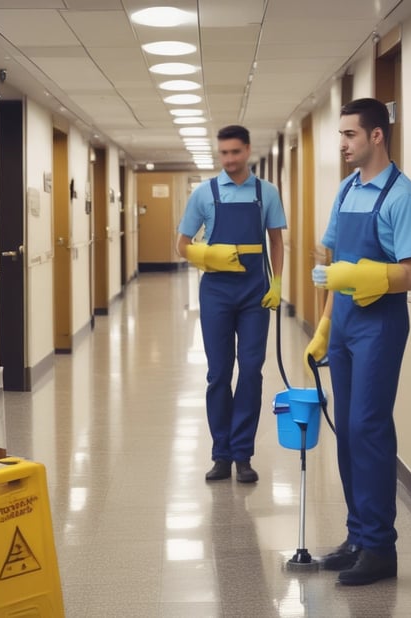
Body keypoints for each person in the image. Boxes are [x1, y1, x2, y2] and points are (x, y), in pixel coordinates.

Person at [304, 98, 411, 585]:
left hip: (380, 325)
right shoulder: (346, 190)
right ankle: (358, 535)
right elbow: (337, 269)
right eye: (339, 135)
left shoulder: (403, 197)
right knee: (348, 431)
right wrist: (325, 326)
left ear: (377, 135)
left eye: (350, 135)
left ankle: (380, 548)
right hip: (347, 323)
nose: (342, 145)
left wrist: (362, 274)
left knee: (370, 428)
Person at [177, 124, 287, 484]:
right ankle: (220, 453)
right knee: (218, 373)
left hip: (255, 291)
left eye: (235, 152)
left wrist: (278, 281)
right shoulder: (204, 194)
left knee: (252, 370)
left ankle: (243, 453)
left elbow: (277, 242)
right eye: (223, 153)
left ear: (248, 151)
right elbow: (181, 245)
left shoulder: (266, 193)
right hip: (217, 293)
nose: (228, 159)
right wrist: (207, 255)